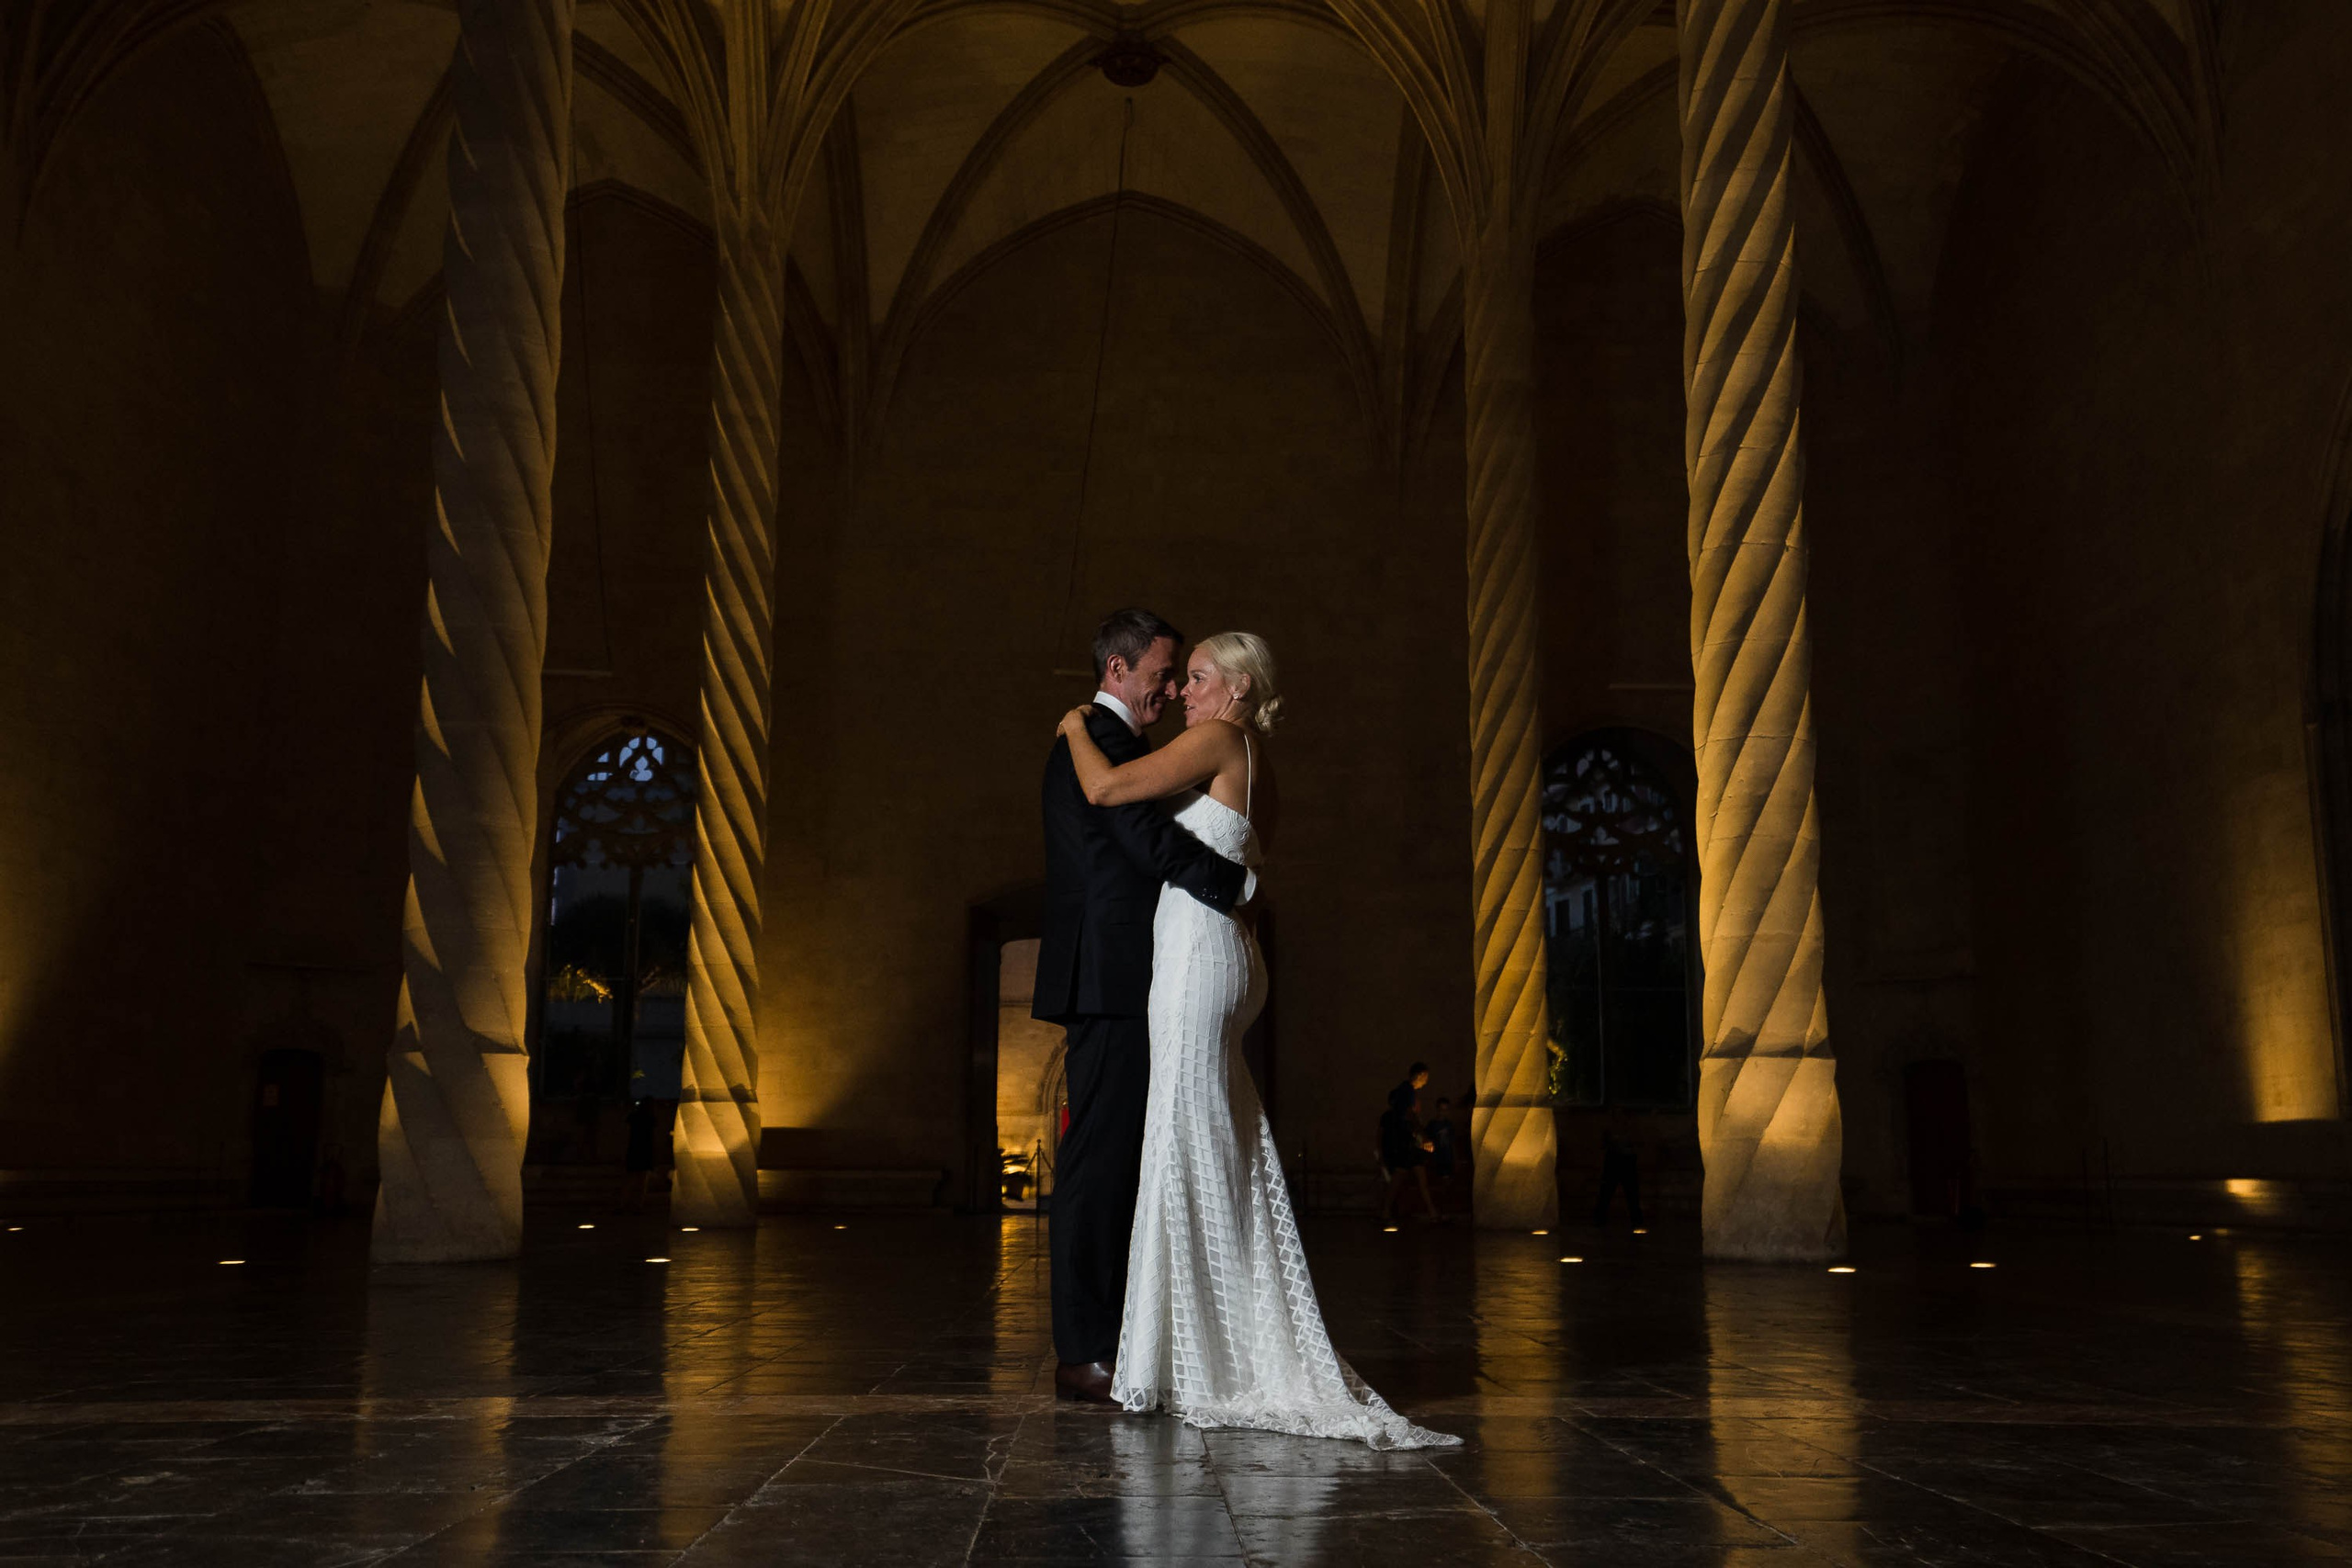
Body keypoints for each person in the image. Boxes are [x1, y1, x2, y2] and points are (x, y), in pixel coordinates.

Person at [1057, 630, 1457, 1450]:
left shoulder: (1217, 738)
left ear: (1238, 687)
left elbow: (1106, 790)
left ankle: (1203, 1358)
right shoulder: (1252, 756)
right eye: (1181, 679)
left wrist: (1070, 729)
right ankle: (1212, 1342)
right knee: (1215, 1146)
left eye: (1196, 678)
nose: (1182, 694)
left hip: (1200, 956)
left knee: (1183, 1143)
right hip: (1225, 951)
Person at [1035, 610, 1252, 1406]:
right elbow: (1145, 841)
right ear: (1120, 668)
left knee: (1117, 1156)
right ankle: (1083, 1351)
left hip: (1123, 973)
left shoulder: (1095, 732)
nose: (1168, 688)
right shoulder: (1102, 735)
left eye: (1180, 676)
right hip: (1114, 975)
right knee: (1096, 1164)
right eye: (1163, 672)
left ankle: (1114, 1336)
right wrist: (1235, 885)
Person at [1378, 1063, 1437, 1224]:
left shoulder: (1404, 1091)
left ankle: (1432, 1213)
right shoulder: (1408, 1091)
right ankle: (1385, 1211)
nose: (1426, 1081)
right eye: (1425, 1077)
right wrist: (1423, 1136)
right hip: (1405, 1143)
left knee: (1417, 1174)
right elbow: (1410, 1116)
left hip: (1406, 1142)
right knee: (1401, 1176)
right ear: (1420, 1076)